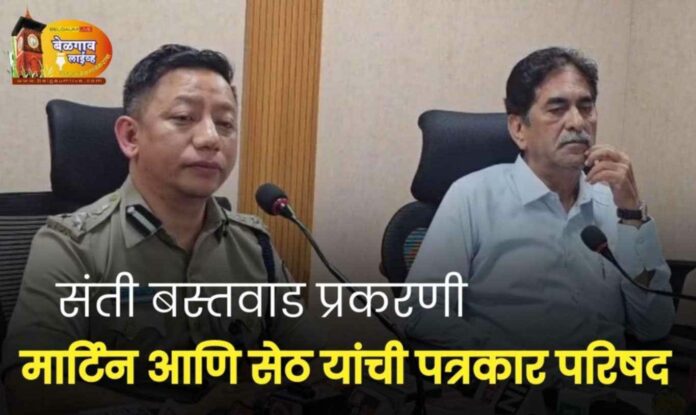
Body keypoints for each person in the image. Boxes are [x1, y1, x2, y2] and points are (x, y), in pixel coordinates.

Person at [2, 44, 322, 414]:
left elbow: (315, 360)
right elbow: (31, 387)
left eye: (225, 123)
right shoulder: (71, 245)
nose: (210, 138)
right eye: (184, 117)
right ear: (130, 137)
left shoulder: (255, 245)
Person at [405, 47, 675, 350]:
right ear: (519, 129)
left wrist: (632, 214)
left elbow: (654, 327)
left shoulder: (615, 205)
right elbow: (420, 311)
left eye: (586, 107)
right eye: (557, 109)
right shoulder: (473, 197)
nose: (577, 122)